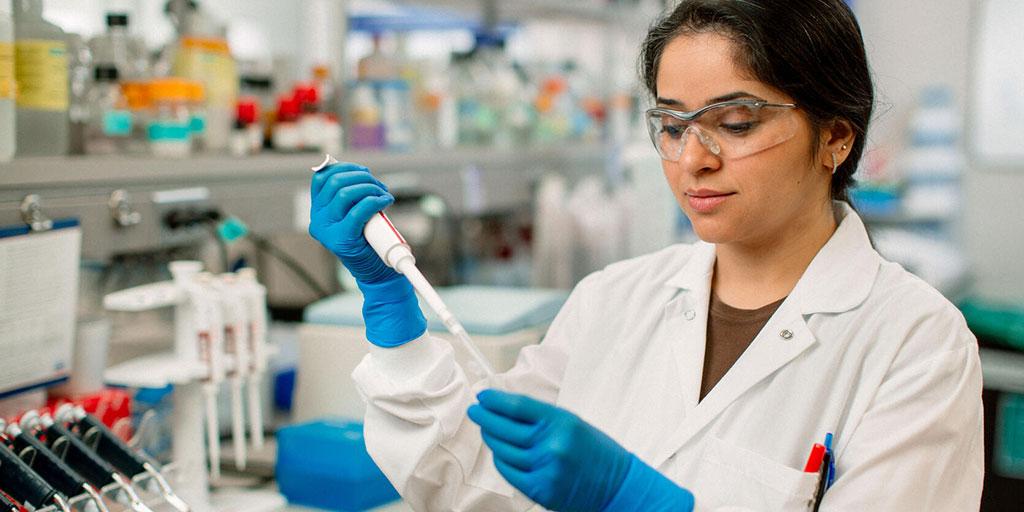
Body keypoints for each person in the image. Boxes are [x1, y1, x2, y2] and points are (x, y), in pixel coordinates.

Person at [308, 0, 983, 510]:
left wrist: (638, 499)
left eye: (736, 122)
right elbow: (469, 482)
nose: (694, 158)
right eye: (672, 124)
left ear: (836, 135)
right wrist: (390, 308)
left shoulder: (914, 342)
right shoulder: (612, 299)